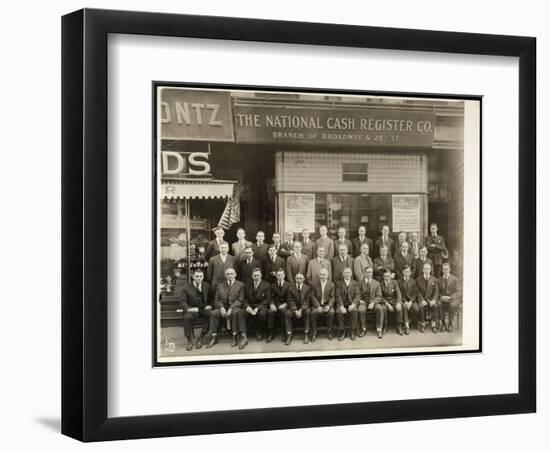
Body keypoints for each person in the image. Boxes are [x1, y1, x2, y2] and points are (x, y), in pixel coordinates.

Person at [211, 267, 247, 349]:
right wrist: (221, 307)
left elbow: (240, 300)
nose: (230, 275)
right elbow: (216, 300)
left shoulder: (240, 285)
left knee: (235, 312)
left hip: (235, 307)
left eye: (231, 273)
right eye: (227, 274)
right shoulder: (220, 286)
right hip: (223, 308)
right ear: (225, 275)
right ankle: (214, 336)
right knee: (214, 313)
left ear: (235, 275)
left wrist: (231, 308)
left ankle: (234, 336)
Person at [179, 270, 213, 351]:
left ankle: (201, 338)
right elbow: (182, 301)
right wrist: (188, 309)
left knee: (210, 314)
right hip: (192, 309)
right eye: (197, 276)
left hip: (203, 309)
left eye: (201, 276)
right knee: (187, 317)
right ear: (193, 277)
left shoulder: (207, 285)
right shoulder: (186, 287)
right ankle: (189, 341)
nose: (199, 278)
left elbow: (213, 298)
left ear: (203, 277)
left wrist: (210, 305)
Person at [244, 268, 275, 342]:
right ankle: (255, 331)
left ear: (261, 275)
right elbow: (244, 298)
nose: (256, 277)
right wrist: (247, 306)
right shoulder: (248, 285)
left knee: (262, 314)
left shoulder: (266, 285)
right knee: (245, 313)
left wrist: (258, 307)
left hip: (262, 305)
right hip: (251, 305)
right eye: (254, 275)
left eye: (258, 275)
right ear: (252, 276)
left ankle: (261, 331)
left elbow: (267, 299)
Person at [309, 268, 335, 341]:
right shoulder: (314, 284)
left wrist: (329, 306)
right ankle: (314, 332)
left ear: (327, 275)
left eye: (324, 274)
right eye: (320, 274)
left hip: (327, 304)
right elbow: (312, 297)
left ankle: (329, 331)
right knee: (313, 313)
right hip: (317, 304)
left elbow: (332, 297)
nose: (322, 276)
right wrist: (318, 306)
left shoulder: (331, 284)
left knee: (331, 312)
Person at [334, 267, 360, 340]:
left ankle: (352, 330)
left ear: (351, 274)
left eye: (348, 273)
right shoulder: (338, 283)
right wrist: (341, 306)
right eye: (345, 273)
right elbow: (337, 295)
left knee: (354, 310)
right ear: (343, 274)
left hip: (351, 303)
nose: (347, 274)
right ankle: (342, 331)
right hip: (342, 303)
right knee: (339, 311)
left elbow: (357, 295)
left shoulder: (355, 283)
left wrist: (354, 304)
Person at [285, 273, 311, 344]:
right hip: (294, 308)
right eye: (297, 278)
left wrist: (301, 310)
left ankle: (306, 334)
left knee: (308, 312)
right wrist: (295, 310)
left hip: (303, 308)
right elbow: (290, 300)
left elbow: (307, 301)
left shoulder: (307, 288)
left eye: (300, 278)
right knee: (287, 314)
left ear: (303, 279)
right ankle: (289, 334)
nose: (299, 280)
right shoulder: (291, 288)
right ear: (295, 279)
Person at [416, 261, 440, 333]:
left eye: (428, 269)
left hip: (430, 299)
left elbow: (436, 291)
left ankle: (433, 324)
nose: (426, 270)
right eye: (425, 269)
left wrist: (434, 300)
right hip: (422, 299)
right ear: (422, 270)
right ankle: (423, 323)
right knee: (420, 306)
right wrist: (422, 300)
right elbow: (417, 292)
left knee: (435, 306)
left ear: (430, 270)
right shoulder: (418, 279)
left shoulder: (434, 279)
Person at [437, 263, 461, 332]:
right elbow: (437, 291)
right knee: (439, 304)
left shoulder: (455, 279)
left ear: (449, 270)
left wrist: (450, 297)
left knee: (452, 305)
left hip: (453, 299)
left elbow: (458, 291)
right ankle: (443, 323)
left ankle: (450, 323)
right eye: (444, 269)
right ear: (442, 270)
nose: (445, 270)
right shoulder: (439, 280)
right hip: (443, 298)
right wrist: (441, 297)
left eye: (447, 269)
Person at [380, 269, 404, 336]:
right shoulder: (380, 284)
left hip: (394, 301)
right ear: (383, 276)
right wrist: (387, 304)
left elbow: (398, 293)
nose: (387, 278)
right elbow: (380, 296)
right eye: (385, 276)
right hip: (385, 302)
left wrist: (399, 303)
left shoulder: (394, 282)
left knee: (399, 308)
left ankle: (399, 326)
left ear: (390, 276)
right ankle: (385, 326)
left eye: (388, 276)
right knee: (383, 308)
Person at [360, 267, 383, 337]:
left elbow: (379, 296)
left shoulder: (376, 283)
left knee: (379, 308)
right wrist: (360, 300)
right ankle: (363, 329)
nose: (370, 274)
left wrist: (373, 303)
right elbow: (357, 294)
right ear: (364, 273)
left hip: (373, 302)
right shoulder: (360, 283)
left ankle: (379, 329)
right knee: (360, 310)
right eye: (368, 272)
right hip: (363, 302)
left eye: (371, 272)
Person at [397, 265, 417, 335]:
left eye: (408, 272)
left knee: (416, 309)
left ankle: (410, 321)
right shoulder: (399, 281)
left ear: (410, 272)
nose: (406, 273)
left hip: (411, 300)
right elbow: (399, 294)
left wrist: (411, 302)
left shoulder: (413, 281)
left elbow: (415, 294)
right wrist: (405, 302)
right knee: (405, 307)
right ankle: (407, 326)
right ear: (402, 272)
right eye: (405, 272)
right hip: (403, 300)